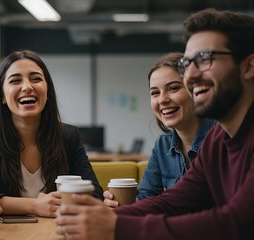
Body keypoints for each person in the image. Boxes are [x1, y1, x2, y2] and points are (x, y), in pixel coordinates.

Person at [55, 8, 254, 239]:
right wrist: (105, 215)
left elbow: (238, 223)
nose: (190, 76)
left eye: (204, 59)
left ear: (249, 66)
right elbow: (172, 202)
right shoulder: (217, 141)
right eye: (186, 64)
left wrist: (115, 227)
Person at [0, 50, 103, 217]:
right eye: (15, 81)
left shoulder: (68, 136)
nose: (27, 87)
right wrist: (34, 205)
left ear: (48, 91)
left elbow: (95, 194)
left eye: (36, 79)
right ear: (2, 96)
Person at [103, 52, 215, 207]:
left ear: (195, 90)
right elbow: (145, 199)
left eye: (173, 88)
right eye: (155, 93)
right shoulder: (163, 145)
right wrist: (119, 204)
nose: (162, 99)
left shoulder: (222, 137)